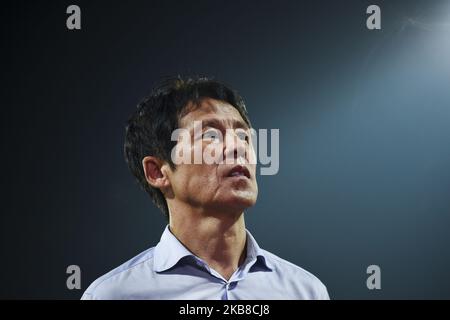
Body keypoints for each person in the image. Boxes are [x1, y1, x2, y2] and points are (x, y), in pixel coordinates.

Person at [81, 76, 329, 300]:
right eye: (211, 136)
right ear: (157, 172)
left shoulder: (305, 291)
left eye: (244, 137)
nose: (237, 147)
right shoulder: (114, 295)